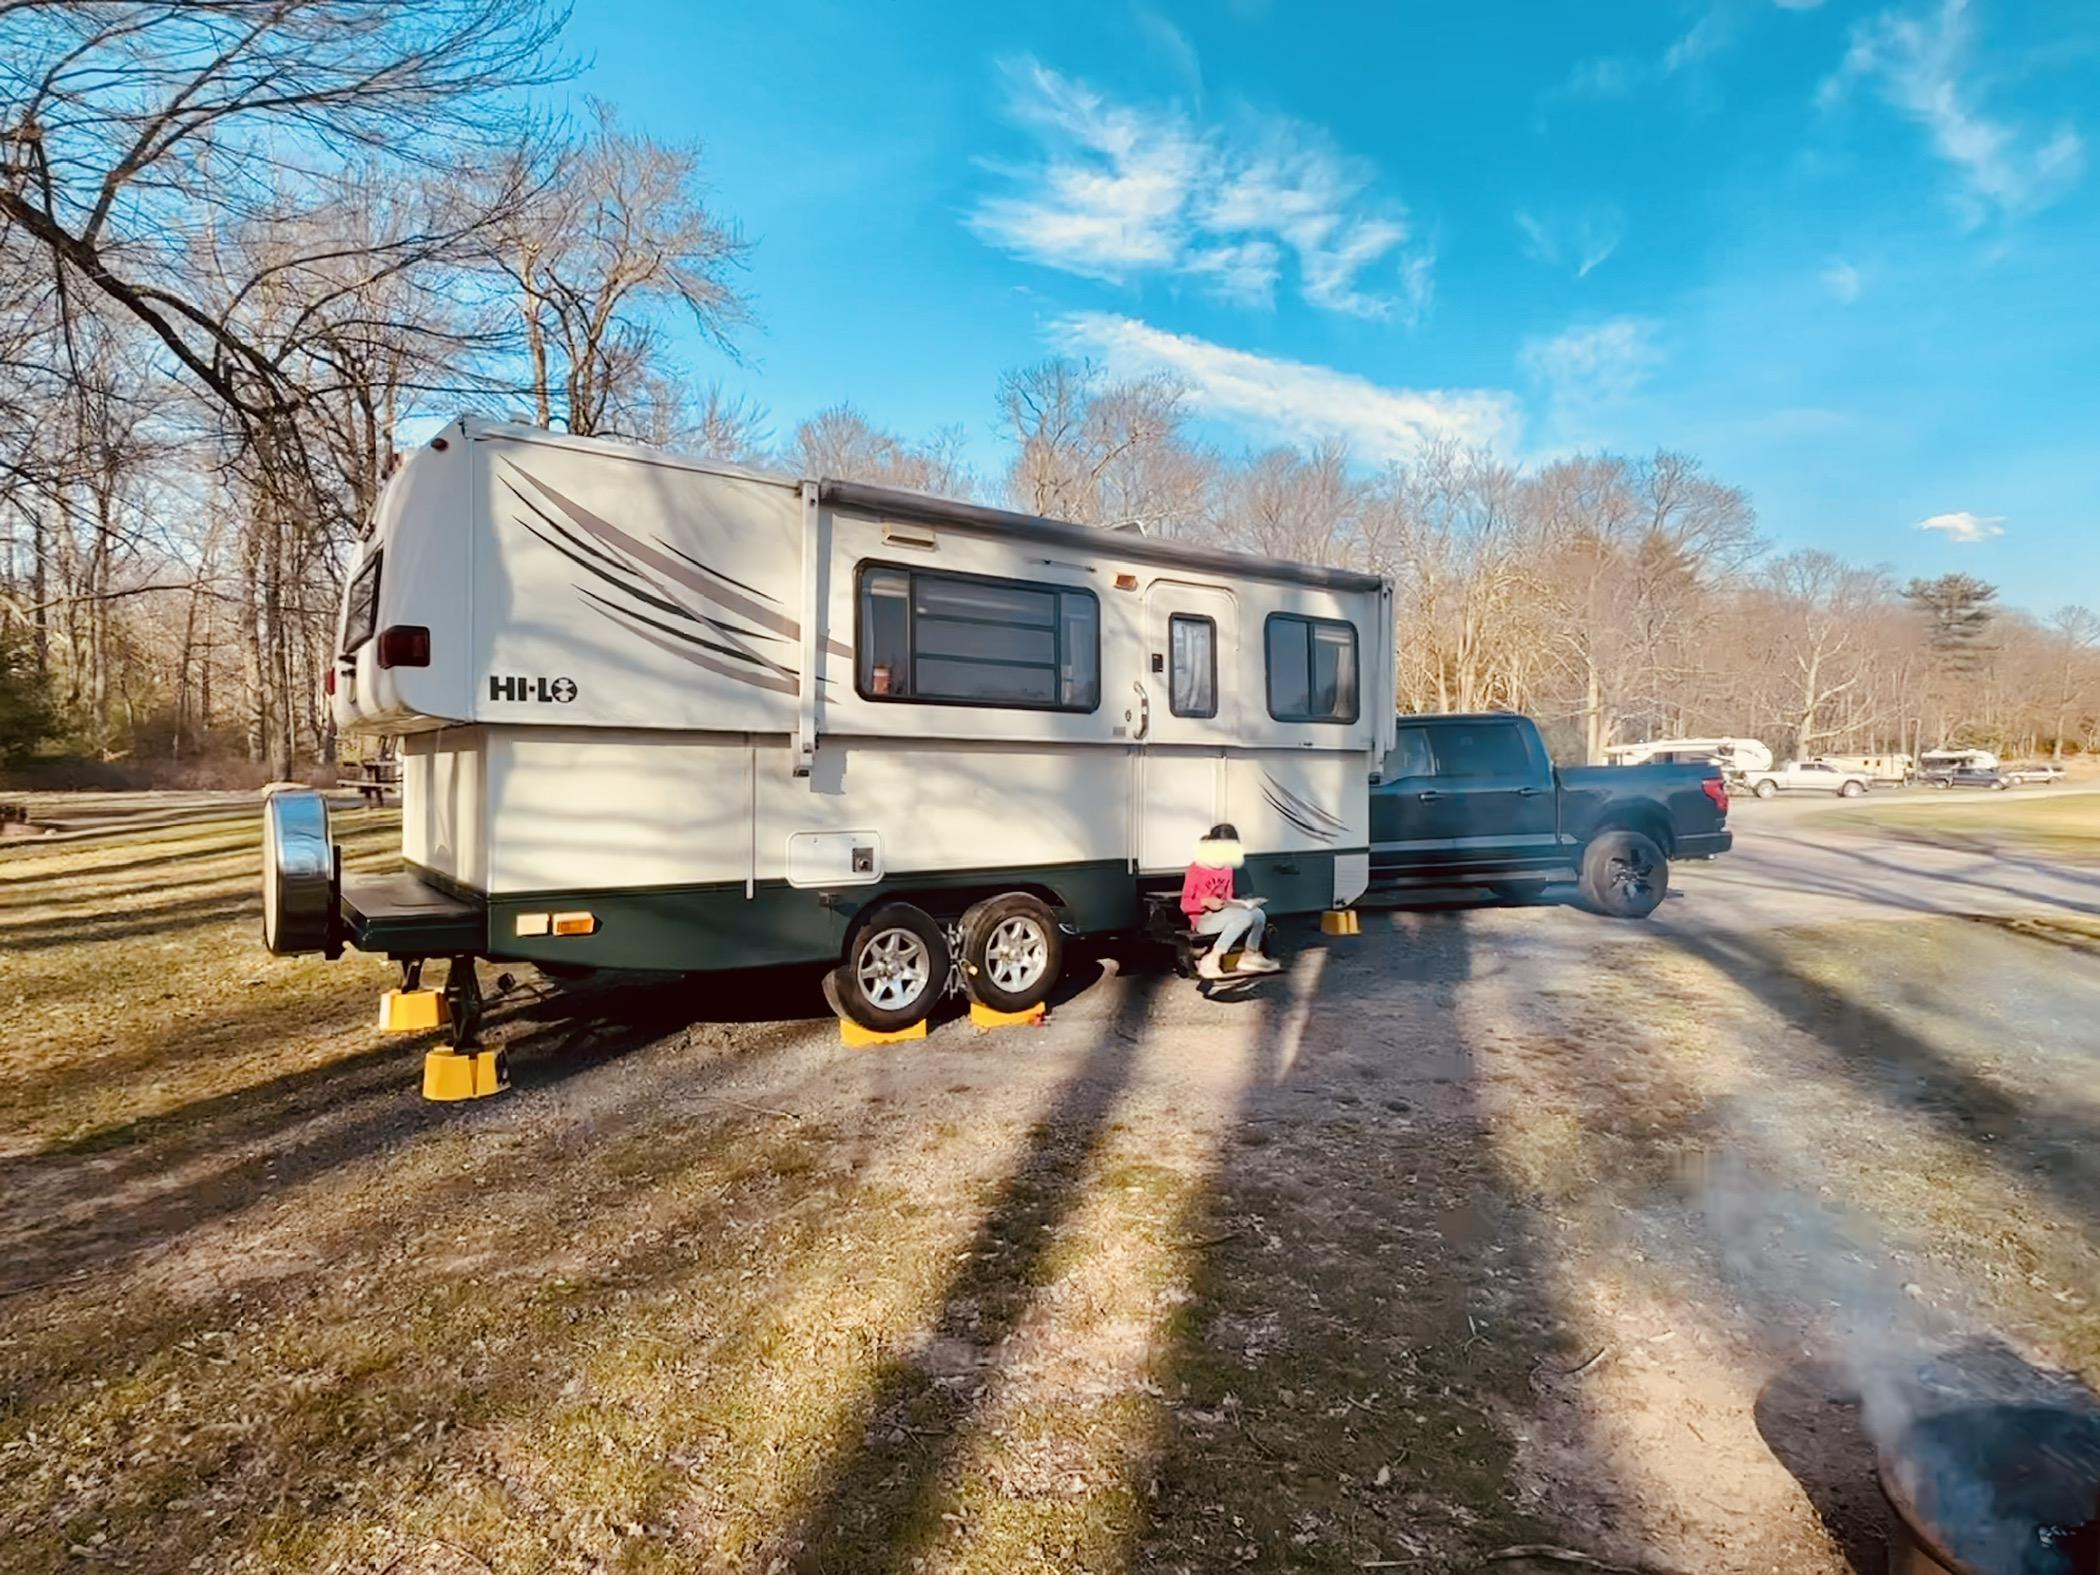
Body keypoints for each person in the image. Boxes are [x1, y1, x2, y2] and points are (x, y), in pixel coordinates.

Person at [1179, 822, 1280, 978]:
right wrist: (1205, 902)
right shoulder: (1196, 868)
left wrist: (1238, 904)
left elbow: (1227, 898)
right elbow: (1185, 905)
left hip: (1223, 915)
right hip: (1203, 919)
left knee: (1258, 914)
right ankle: (1211, 959)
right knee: (1245, 917)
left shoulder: (1227, 868)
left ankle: (1250, 955)